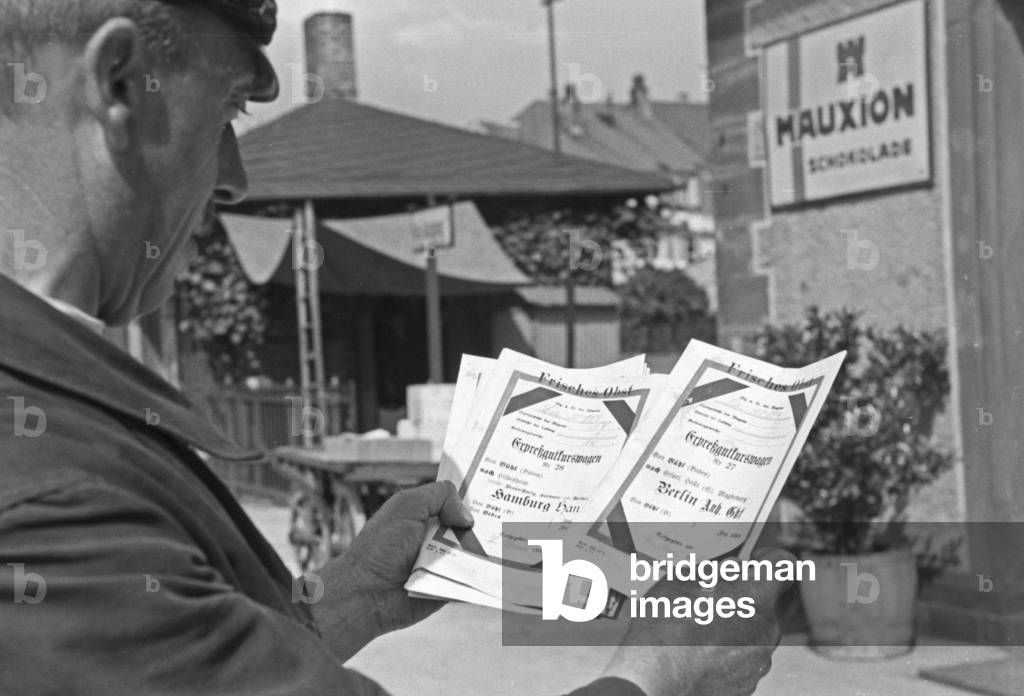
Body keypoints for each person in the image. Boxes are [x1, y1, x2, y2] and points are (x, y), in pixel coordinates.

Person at [0, 2, 792, 694]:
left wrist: (346, 601)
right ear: (118, 83)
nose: (235, 178)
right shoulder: (44, 499)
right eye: (233, 109)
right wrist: (662, 676)